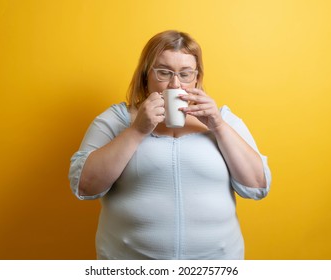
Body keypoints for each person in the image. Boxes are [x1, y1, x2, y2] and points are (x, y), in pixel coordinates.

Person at [69, 30, 271, 260]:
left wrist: (218, 126)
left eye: (185, 74)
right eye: (164, 73)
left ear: (197, 77)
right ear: (146, 75)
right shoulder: (117, 120)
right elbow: (85, 186)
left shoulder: (223, 120)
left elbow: (257, 186)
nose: (175, 84)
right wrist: (136, 131)